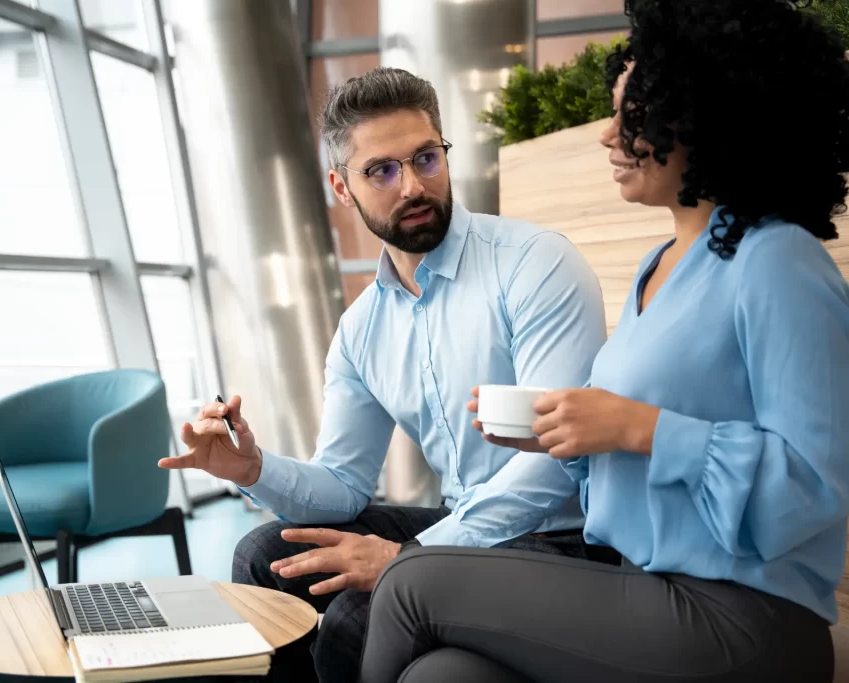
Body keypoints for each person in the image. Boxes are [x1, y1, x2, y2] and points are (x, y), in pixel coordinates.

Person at [357, 1, 849, 682]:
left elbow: (815, 491)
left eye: (634, 114)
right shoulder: (659, 266)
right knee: (444, 674)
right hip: (646, 583)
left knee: (411, 583)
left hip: (748, 614)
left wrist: (637, 426)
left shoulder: (780, 261)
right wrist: (571, 437)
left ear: (709, 115)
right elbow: (648, 461)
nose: (607, 135)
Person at [159, 67, 608, 681]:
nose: (413, 186)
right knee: (266, 553)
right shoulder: (362, 329)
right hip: (468, 526)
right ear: (342, 188)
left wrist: (410, 558)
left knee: (354, 614)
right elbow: (344, 483)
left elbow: (556, 464)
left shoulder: (534, 265)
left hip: (563, 540)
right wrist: (252, 470)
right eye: (381, 171)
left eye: (426, 158)